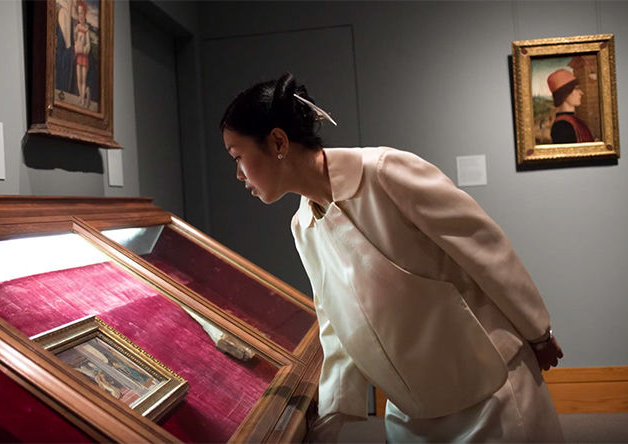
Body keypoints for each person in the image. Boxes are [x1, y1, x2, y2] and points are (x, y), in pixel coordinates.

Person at [220, 73, 564, 442]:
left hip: (489, 391)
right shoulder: (302, 226)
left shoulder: (384, 172)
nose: (239, 175)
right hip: (410, 412)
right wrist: (326, 420)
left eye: (239, 157)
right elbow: (335, 324)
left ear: (277, 142)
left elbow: (483, 248)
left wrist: (536, 330)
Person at [547, 68, 594, 144]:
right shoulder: (562, 127)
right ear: (565, 94)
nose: (581, 93)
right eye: (576, 89)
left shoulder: (572, 121)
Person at [73, 1, 91, 107]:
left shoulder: (86, 29)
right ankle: (81, 97)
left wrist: (86, 48)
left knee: (84, 78)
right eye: (78, 13)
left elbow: (88, 43)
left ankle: (83, 99)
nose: (80, 16)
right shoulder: (77, 27)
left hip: (84, 56)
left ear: (85, 15)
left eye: (82, 14)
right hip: (78, 55)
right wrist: (76, 43)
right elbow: (74, 40)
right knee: (78, 78)